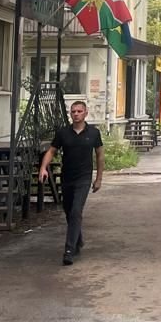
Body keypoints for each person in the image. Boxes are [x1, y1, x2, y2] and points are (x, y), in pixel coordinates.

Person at [39, 101, 104, 265]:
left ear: (86, 113)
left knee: (76, 211)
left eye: (79, 111)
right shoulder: (63, 133)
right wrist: (43, 168)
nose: (76, 114)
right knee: (69, 212)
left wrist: (99, 178)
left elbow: (100, 155)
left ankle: (69, 250)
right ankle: (78, 239)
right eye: (73, 111)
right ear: (70, 114)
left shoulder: (94, 133)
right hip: (67, 177)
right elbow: (51, 151)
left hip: (84, 178)